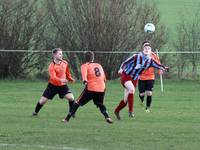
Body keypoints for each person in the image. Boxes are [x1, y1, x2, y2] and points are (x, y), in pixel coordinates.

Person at [114, 41, 169, 120]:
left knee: (125, 100)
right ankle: (131, 112)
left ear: (150, 51)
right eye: (145, 48)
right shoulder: (136, 56)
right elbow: (125, 63)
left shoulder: (150, 61)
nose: (147, 49)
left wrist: (165, 68)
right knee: (132, 90)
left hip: (134, 78)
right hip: (126, 75)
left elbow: (159, 65)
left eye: (148, 48)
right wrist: (121, 69)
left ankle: (117, 111)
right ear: (143, 50)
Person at [62, 51, 113, 124]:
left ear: (84, 58)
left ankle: (66, 119)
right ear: (93, 58)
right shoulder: (99, 65)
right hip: (102, 88)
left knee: (77, 103)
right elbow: (104, 78)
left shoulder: (85, 66)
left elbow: (84, 76)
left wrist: (85, 81)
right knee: (100, 104)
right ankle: (107, 117)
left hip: (91, 88)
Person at [32, 48, 76, 118]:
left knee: (71, 98)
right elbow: (53, 77)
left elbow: (67, 73)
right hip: (52, 86)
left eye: (62, 54)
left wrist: (71, 79)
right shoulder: (51, 66)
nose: (61, 55)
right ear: (54, 55)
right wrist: (61, 80)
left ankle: (72, 113)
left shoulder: (65, 63)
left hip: (63, 86)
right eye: (60, 54)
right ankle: (35, 112)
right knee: (42, 101)